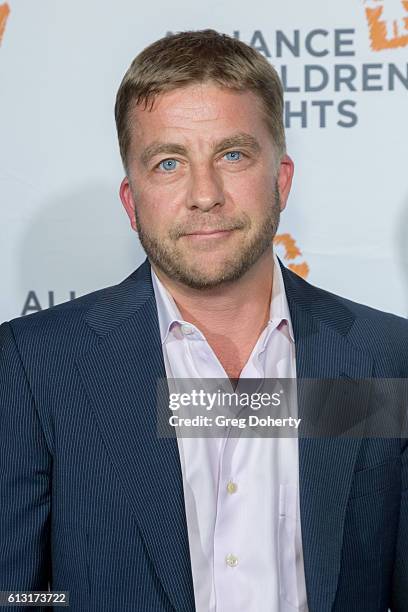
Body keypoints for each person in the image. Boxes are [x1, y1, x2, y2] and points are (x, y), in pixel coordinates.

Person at [0, 29, 407, 612]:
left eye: (232, 155)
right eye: (169, 163)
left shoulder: (385, 357)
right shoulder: (36, 363)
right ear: (130, 199)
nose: (205, 194)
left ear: (281, 180)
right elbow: (14, 595)